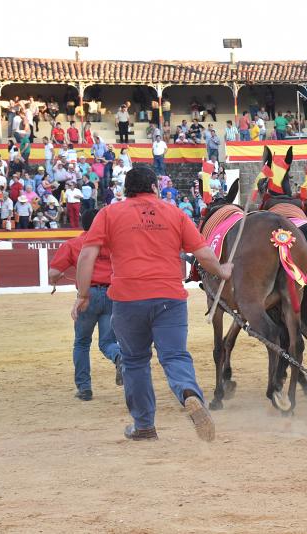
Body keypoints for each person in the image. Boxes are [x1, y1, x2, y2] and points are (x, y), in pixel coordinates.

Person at [73, 165, 233, 442]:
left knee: (135, 362)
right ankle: (190, 393)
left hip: (127, 299)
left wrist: (83, 294)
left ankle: (145, 426)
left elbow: (87, 255)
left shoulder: (109, 213)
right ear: (155, 188)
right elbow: (203, 254)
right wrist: (223, 271)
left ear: (126, 190)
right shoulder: (175, 213)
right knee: (175, 356)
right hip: (169, 298)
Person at [49, 209, 122, 401]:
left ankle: (84, 389)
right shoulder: (115, 243)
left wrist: (60, 277)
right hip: (113, 294)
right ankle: (118, 357)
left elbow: (53, 274)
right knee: (108, 342)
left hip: (87, 295)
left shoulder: (74, 244)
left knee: (82, 342)